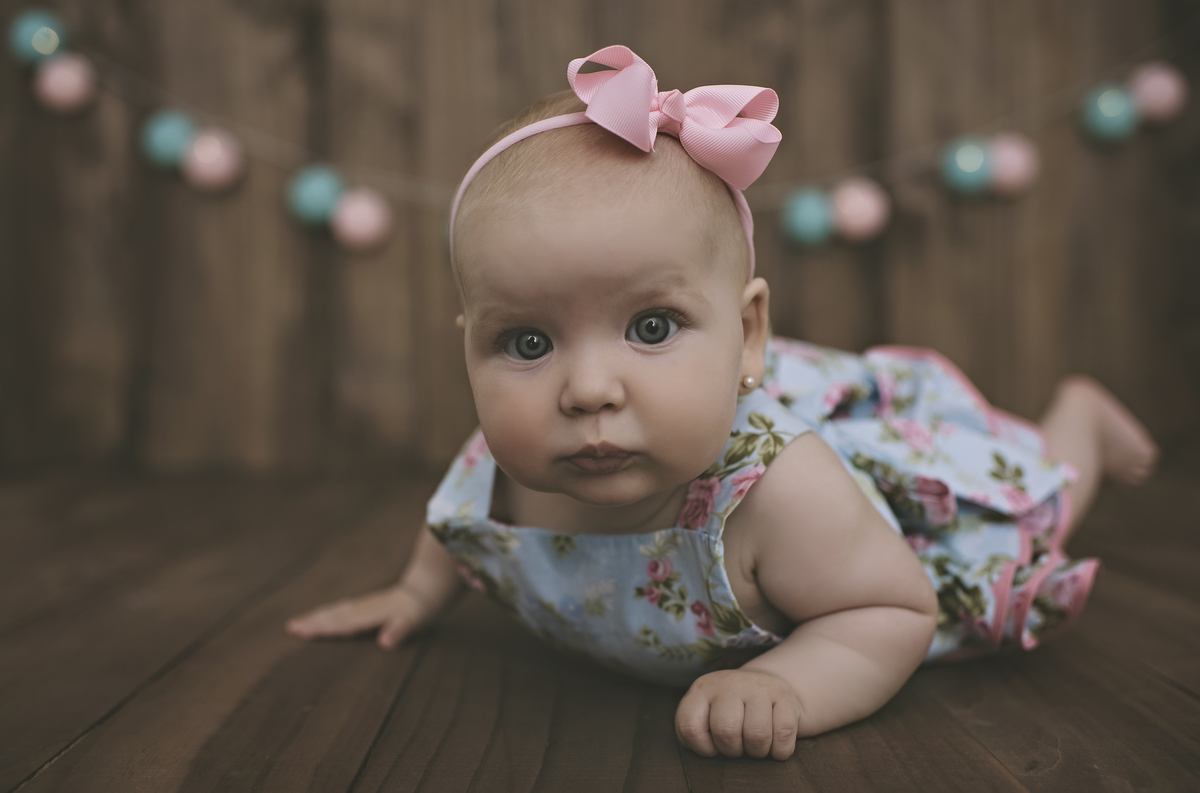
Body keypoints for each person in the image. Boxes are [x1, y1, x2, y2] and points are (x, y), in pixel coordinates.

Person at [287, 46, 1158, 761]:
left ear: (746, 334)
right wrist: (416, 592)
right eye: (526, 342)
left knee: (1031, 505)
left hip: (890, 526)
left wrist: (786, 683)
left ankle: (1078, 422)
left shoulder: (782, 493)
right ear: (470, 347)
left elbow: (893, 609)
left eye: (652, 326)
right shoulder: (504, 458)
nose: (586, 390)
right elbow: (457, 521)